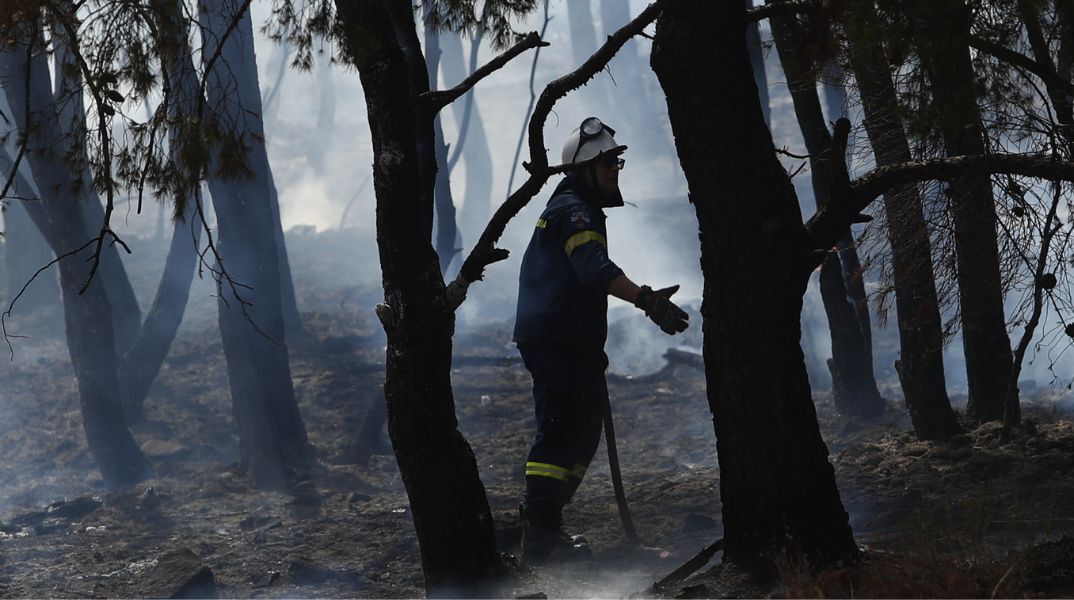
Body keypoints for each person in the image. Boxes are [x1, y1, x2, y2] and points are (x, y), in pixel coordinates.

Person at [513, 116, 690, 564]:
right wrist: (647, 300)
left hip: (569, 341)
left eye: (617, 162)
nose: (615, 170)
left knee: (583, 432)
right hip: (555, 341)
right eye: (608, 163)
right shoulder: (573, 210)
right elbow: (591, 268)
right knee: (559, 432)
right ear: (585, 168)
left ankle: (543, 523)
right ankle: (539, 536)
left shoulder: (576, 207)